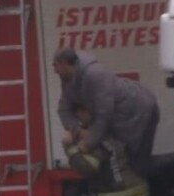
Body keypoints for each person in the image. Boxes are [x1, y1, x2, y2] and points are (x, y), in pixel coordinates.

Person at [53, 48, 160, 182]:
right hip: (122, 120)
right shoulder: (68, 81)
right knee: (123, 163)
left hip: (143, 112)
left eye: (55, 65)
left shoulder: (95, 74)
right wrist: (77, 131)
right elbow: (63, 110)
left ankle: (169, 178)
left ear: (64, 63)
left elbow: (104, 115)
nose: (54, 70)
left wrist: (87, 143)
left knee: (138, 166)